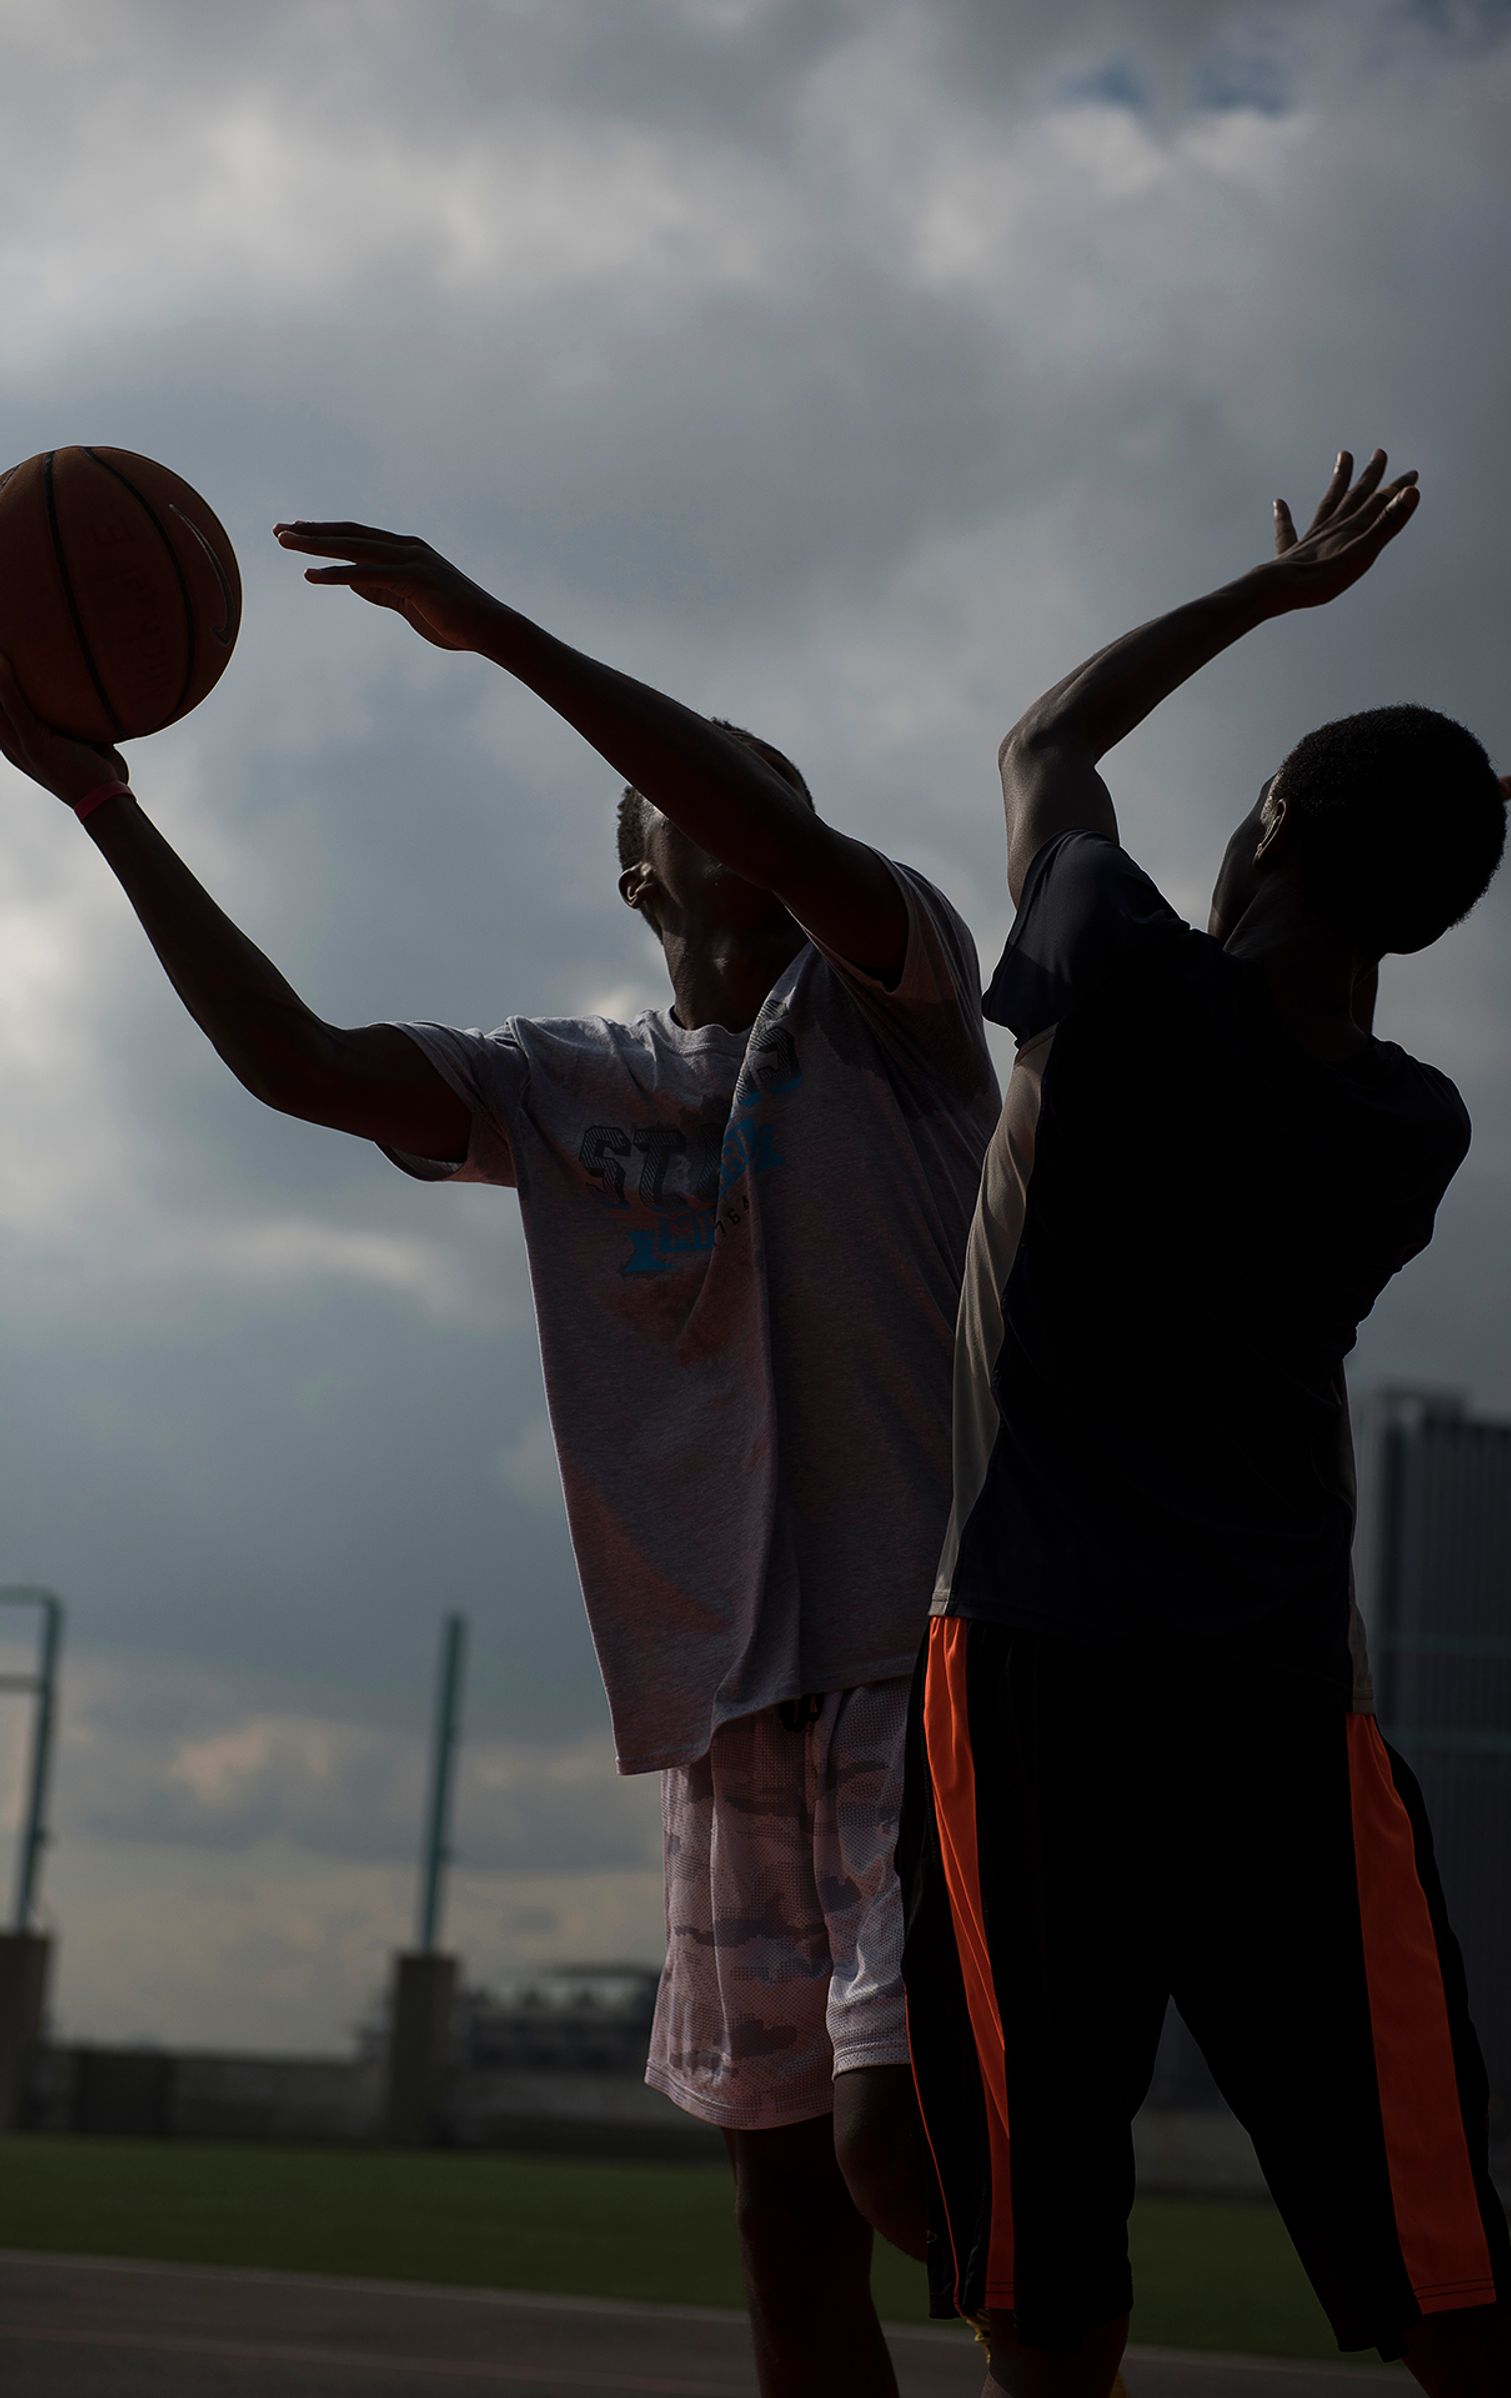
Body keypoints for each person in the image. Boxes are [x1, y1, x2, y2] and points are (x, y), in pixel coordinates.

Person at [0, 524, 1000, 2398]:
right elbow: (293, 1059)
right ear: (633, 867)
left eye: (768, 779)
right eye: (695, 785)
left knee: (895, 2156)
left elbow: (764, 821)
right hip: (723, 1705)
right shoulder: (573, 1083)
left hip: (911, 1660)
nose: (746, 795)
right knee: (781, 2212)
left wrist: (495, 635)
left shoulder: (899, 998)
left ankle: (1067, 2301)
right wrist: (102, 808)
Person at [894, 448, 1511, 2398]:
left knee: (1042, 2229)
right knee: (1432, 2249)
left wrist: (1270, 598)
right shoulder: (1405, 1128)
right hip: (1279, 1703)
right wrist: (1394, 824)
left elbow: (1052, 730)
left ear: (1266, 821)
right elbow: (1312, 923)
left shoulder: (1107, 970)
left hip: (1032, 1665)